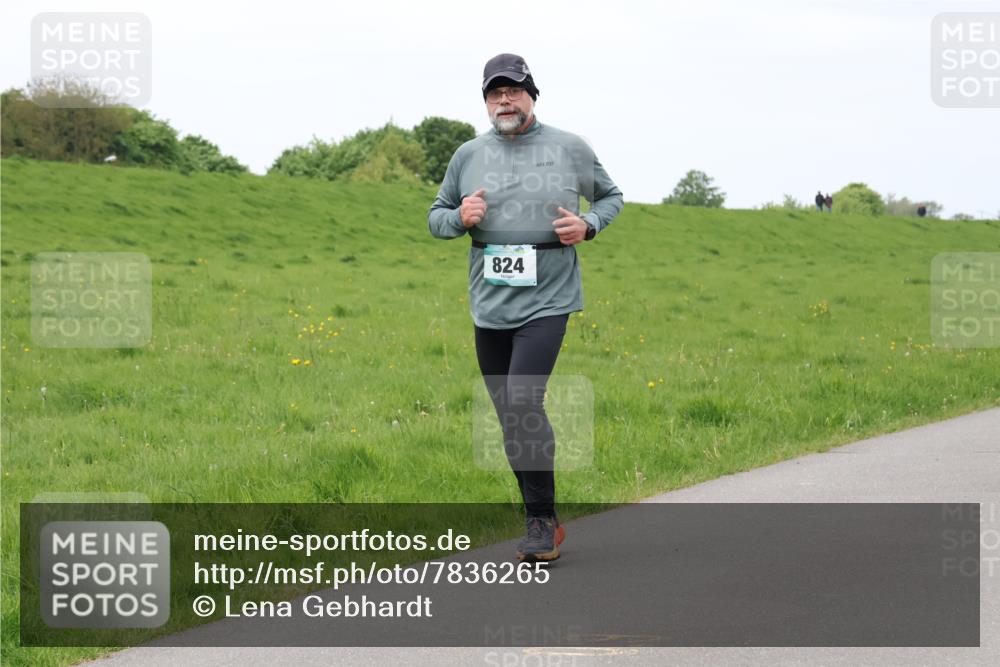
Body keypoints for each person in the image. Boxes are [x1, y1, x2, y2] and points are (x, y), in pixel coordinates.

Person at [427, 53, 624, 562]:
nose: (504, 100)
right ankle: (545, 516)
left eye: (513, 90)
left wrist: (589, 226)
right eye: (495, 93)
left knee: (521, 401)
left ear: (532, 94)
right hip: (488, 303)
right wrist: (459, 218)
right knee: (508, 415)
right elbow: (436, 216)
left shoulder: (568, 147)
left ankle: (539, 520)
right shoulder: (467, 154)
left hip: (548, 296)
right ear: (486, 101)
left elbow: (610, 196)